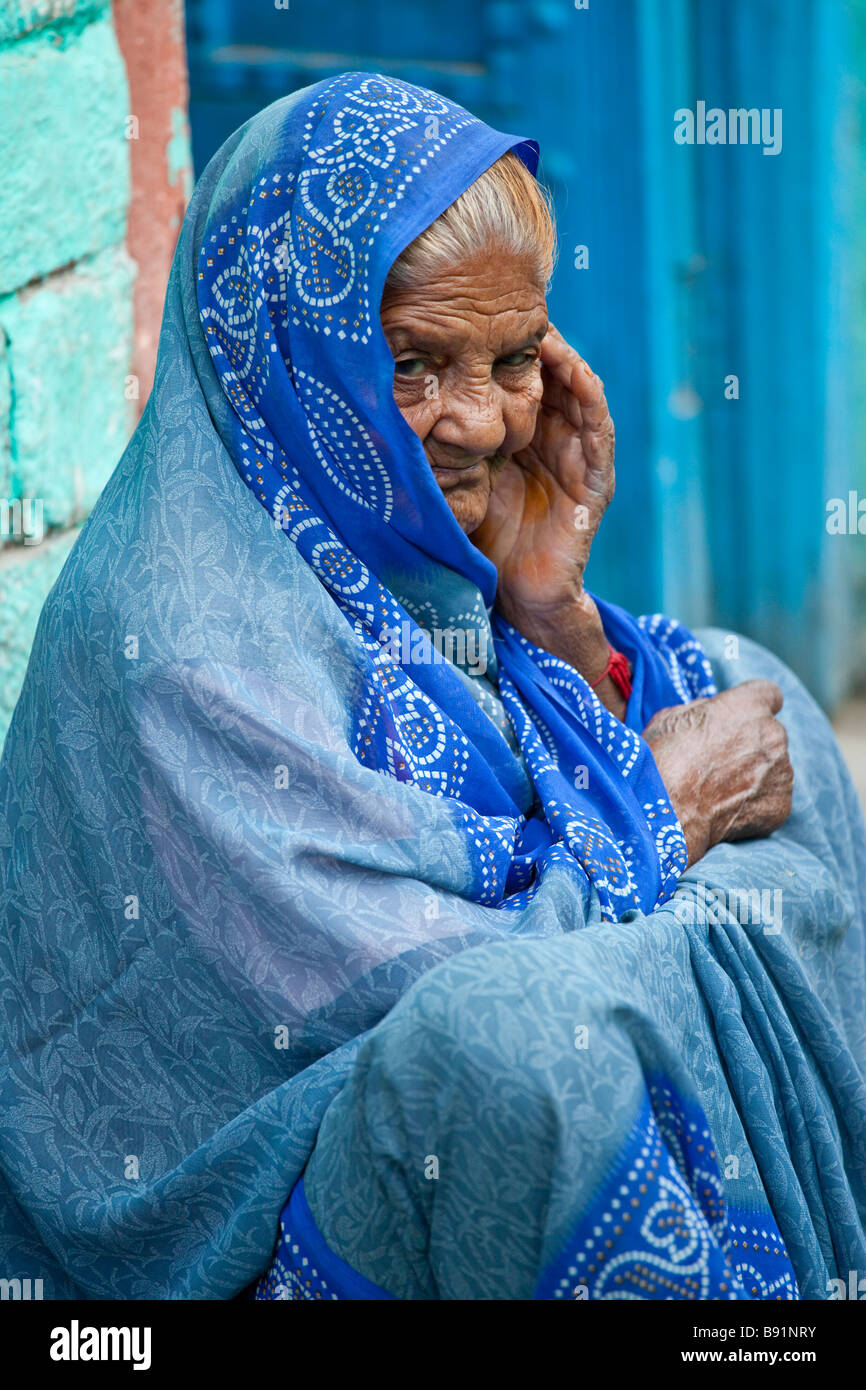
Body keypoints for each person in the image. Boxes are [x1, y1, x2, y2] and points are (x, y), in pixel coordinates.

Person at [0, 73, 863, 1302]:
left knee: (751, 687)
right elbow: (436, 998)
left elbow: (526, 790)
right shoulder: (183, 645)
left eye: (513, 359)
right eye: (410, 365)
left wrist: (547, 613)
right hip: (258, 1217)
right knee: (515, 1053)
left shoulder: (381, 532)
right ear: (281, 347)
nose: (478, 422)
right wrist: (663, 817)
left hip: (445, 1023)